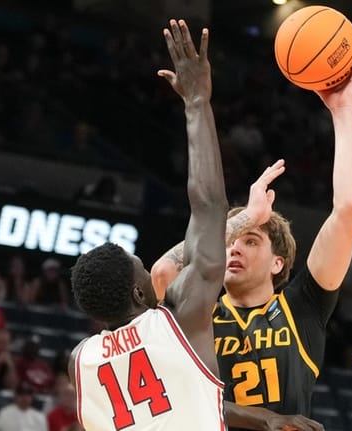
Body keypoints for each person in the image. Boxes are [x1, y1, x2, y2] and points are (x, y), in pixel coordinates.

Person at [69, 19, 320, 431]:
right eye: (142, 271)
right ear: (137, 291)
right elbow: (207, 204)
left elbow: (187, 399)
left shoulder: (81, 359)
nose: (152, 273)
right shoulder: (176, 317)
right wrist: (197, 102)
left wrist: (268, 419)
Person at [151, 44, 352, 426]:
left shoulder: (302, 308)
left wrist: (343, 111)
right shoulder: (202, 310)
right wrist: (245, 219)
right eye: (231, 241)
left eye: (251, 241)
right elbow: (163, 273)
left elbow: (348, 210)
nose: (234, 248)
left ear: (278, 262)